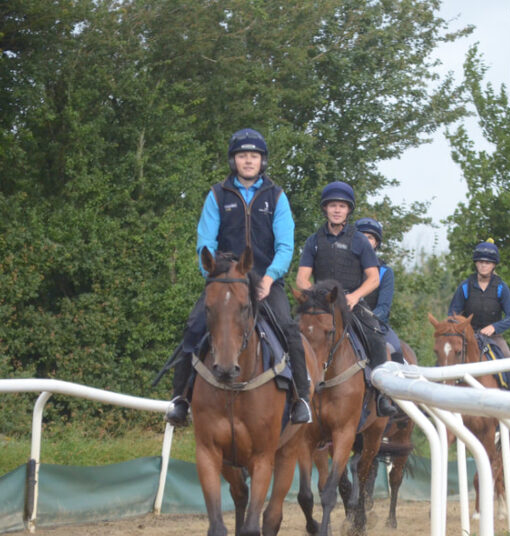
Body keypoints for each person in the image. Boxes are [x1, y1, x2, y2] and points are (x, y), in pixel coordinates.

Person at [164, 128, 312, 426]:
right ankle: (180, 398)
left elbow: (285, 245)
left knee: (289, 329)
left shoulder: (277, 196)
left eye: (253, 156)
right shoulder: (217, 195)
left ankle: (301, 399)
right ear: (234, 161)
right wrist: (214, 274)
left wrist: (270, 278)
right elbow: (205, 242)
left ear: (262, 161)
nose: (248, 161)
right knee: (194, 326)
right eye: (242, 155)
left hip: (266, 279)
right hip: (226, 280)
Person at [296, 182, 397, 417]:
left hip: (350, 300)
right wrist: (314, 295)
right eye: (333, 206)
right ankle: (296, 389)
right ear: (325, 209)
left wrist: (354, 296)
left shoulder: (360, 241)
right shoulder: (313, 240)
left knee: (374, 334)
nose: (337, 210)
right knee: (293, 331)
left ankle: (382, 395)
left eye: (342, 206)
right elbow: (302, 278)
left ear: (348, 210)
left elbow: (373, 278)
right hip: (321, 302)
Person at [447, 239, 510, 390]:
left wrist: (494, 327)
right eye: (480, 262)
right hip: (468, 337)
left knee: (509, 363)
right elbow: (452, 315)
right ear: (476, 263)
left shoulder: (501, 287)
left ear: (493, 265)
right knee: (446, 358)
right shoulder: (465, 286)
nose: (483, 265)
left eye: (487, 262)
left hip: (493, 338)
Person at [356, 217, 404, 364]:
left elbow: (384, 307)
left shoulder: (385, 272)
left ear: (376, 243)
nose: (365, 240)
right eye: (361, 236)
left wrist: (367, 321)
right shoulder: (345, 268)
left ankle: (395, 384)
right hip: (346, 320)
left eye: (369, 237)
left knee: (395, 348)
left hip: (374, 324)